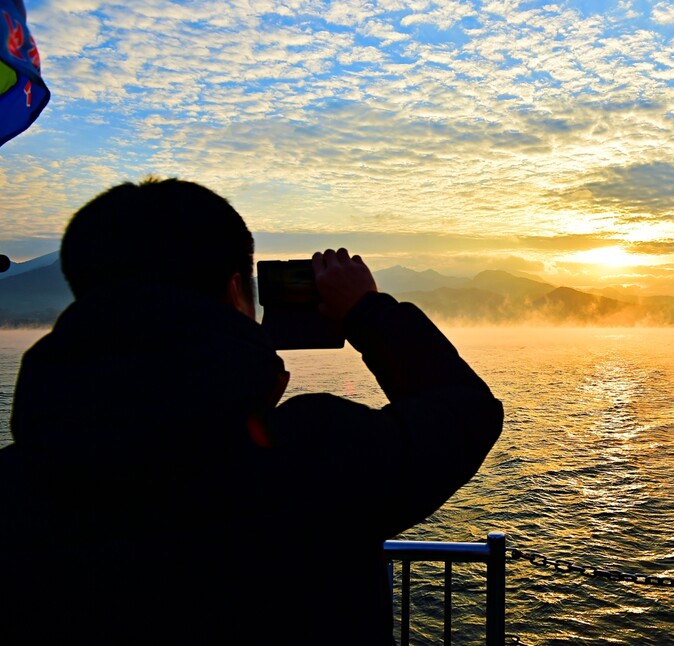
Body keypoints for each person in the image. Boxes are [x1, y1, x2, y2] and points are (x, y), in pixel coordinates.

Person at [0, 177, 504, 644]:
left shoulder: (12, 486)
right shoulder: (315, 456)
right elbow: (466, 410)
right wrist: (367, 310)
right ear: (237, 290)